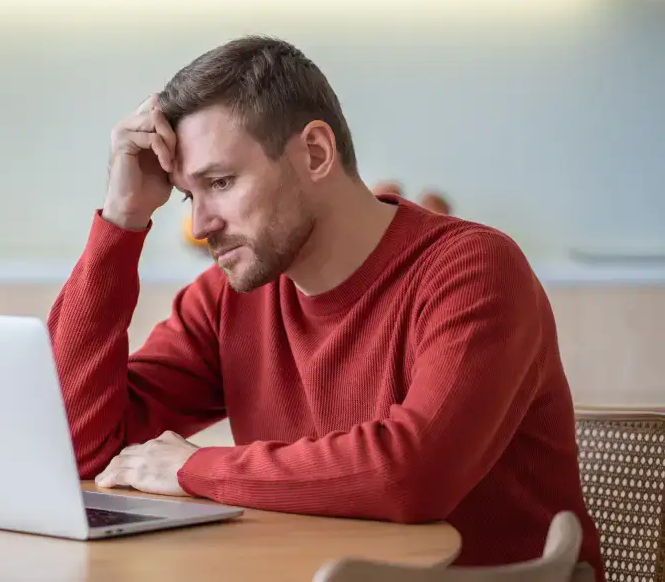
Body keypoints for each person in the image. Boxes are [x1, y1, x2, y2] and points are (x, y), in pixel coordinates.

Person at [46, 35, 603, 577]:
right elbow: (75, 448)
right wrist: (121, 219)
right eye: (191, 195)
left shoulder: (474, 270)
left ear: (315, 152)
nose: (199, 225)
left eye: (221, 181)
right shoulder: (230, 296)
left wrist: (195, 468)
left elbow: (412, 476)